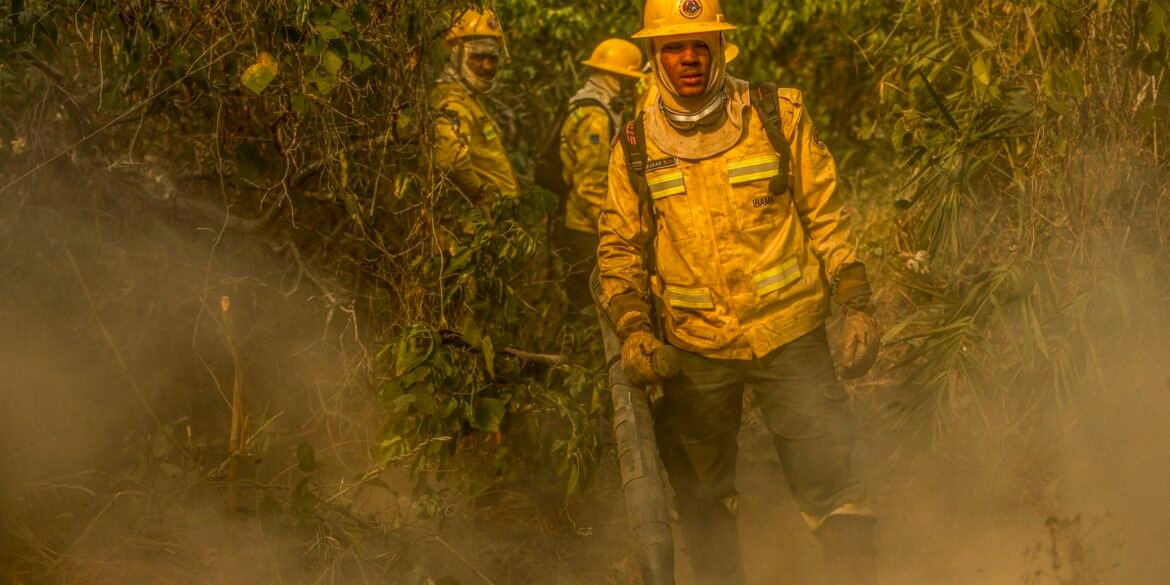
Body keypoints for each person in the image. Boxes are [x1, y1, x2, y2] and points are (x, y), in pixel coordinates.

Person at [594, 1, 882, 584]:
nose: (689, 58)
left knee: (834, 485)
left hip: (790, 332)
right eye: (674, 47)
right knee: (702, 500)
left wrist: (856, 304)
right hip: (696, 346)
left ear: (720, 49)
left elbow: (827, 217)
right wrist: (633, 329)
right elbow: (619, 248)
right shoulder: (635, 145)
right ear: (654, 55)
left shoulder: (777, 113)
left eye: (700, 45)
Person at [558, 38, 644, 308]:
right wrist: (613, 230)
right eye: (627, 81)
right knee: (591, 307)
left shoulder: (589, 104)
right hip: (587, 229)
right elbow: (589, 185)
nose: (630, 89)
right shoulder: (595, 116)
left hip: (584, 224)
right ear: (613, 77)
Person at [431, 7, 518, 216]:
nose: (487, 66)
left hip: (490, 220)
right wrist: (480, 195)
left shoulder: (468, 97)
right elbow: (449, 159)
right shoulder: (453, 100)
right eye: (478, 57)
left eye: (492, 58)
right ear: (458, 56)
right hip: (472, 225)